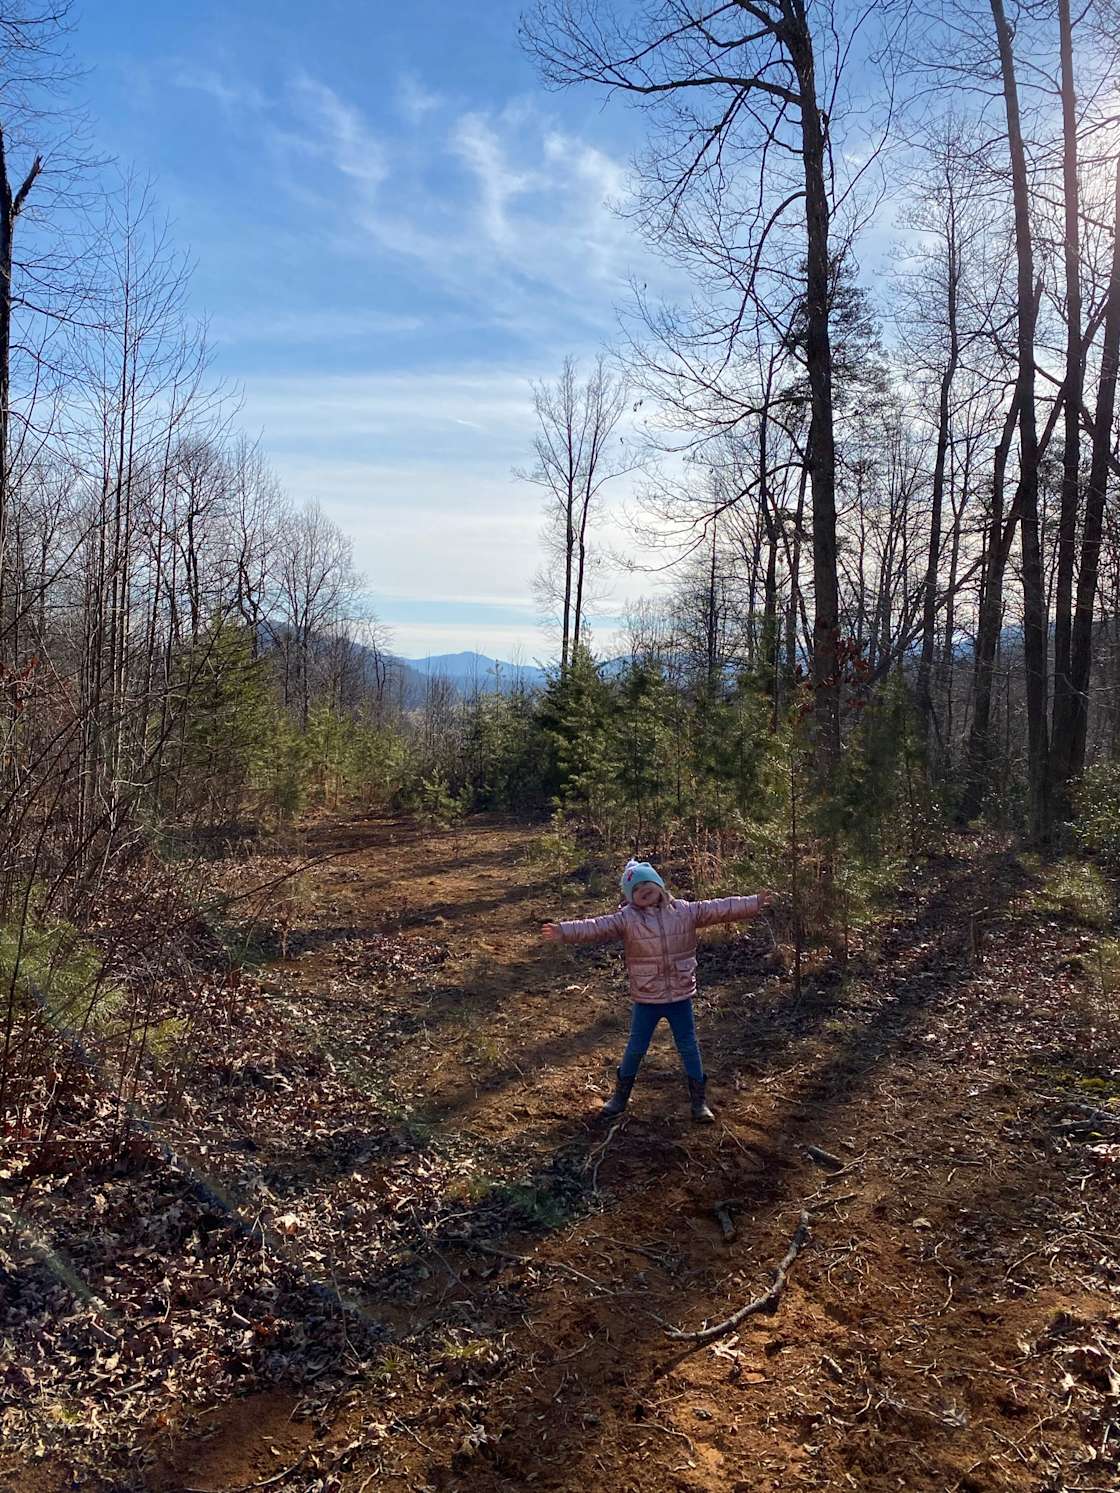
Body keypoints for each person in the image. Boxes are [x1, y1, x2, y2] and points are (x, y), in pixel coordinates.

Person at [542, 859, 773, 1122]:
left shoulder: (685, 911)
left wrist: (754, 902)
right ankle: (619, 1098)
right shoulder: (627, 919)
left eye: (646, 882)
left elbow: (720, 908)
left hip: (680, 996)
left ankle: (699, 1103)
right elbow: (596, 926)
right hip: (647, 998)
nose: (643, 889)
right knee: (636, 1047)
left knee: (688, 1046)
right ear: (631, 898)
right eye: (635, 888)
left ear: (659, 884)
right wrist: (564, 931)